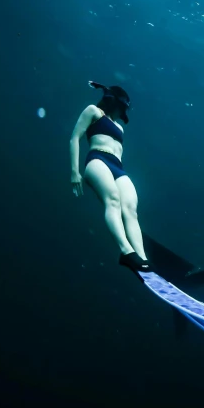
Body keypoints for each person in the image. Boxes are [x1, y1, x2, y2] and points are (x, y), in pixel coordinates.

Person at [69, 81, 151, 273]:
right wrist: (75, 171)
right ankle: (126, 251)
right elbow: (75, 137)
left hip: (118, 167)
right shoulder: (93, 111)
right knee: (112, 200)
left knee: (130, 209)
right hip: (97, 158)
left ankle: (142, 258)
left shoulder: (120, 128)